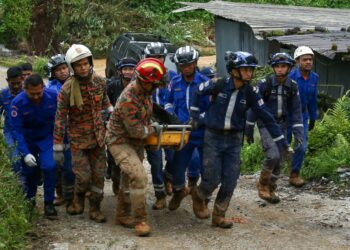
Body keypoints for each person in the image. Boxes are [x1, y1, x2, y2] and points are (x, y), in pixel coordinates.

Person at [190, 51, 292, 228]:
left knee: (231, 179)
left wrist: (282, 142)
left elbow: (267, 117)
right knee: (212, 178)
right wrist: (194, 115)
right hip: (213, 137)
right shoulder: (219, 83)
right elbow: (197, 92)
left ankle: (219, 215)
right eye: (245, 69)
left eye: (251, 70)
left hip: (234, 140)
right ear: (233, 70)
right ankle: (199, 195)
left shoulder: (251, 92)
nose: (249, 73)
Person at [106, 58, 166, 236]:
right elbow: (136, 131)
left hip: (135, 142)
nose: (156, 87)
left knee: (129, 178)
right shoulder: (129, 99)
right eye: (154, 84)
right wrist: (153, 128)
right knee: (139, 177)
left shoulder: (145, 92)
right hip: (120, 141)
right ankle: (140, 220)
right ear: (144, 81)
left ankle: (123, 215)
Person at [53, 44, 113, 223]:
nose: (83, 67)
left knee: (99, 176)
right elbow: (60, 118)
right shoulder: (67, 90)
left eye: (85, 63)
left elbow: (105, 101)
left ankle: (95, 208)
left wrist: (111, 111)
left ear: (90, 63)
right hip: (78, 140)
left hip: (98, 139)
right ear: (73, 67)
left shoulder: (99, 81)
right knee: (84, 176)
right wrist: (57, 146)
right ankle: (78, 199)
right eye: (78, 65)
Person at [245, 52, 303, 203]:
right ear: (273, 67)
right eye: (277, 66)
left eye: (283, 66)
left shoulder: (293, 87)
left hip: (282, 125)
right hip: (265, 124)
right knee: (273, 155)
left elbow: (296, 112)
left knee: (280, 158)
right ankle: (262, 184)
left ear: (289, 68)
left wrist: (299, 134)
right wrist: (249, 128)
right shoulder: (265, 84)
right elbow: (254, 106)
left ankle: (271, 188)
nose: (280, 69)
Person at [164, 45, 210, 211]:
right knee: (177, 165)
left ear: (195, 63)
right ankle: (179, 192)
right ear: (178, 66)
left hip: (202, 132)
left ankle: (202, 199)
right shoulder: (174, 82)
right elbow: (167, 101)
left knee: (204, 165)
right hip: (181, 132)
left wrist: (201, 119)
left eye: (190, 64)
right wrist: (170, 113)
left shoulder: (205, 83)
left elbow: (213, 108)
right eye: (183, 66)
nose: (187, 68)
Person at [10, 74, 58, 218]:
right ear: (25, 89)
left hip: (46, 138)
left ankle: (49, 203)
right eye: (32, 94)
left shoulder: (53, 96)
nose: (36, 97)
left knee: (50, 167)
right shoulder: (17, 103)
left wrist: (61, 142)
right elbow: (16, 130)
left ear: (43, 87)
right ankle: (30, 201)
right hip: (28, 140)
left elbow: (60, 119)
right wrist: (25, 153)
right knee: (30, 172)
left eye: (39, 93)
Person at [46, 54, 75, 208]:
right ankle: (60, 194)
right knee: (57, 167)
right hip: (56, 133)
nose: (63, 72)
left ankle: (71, 197)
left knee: (71, 167)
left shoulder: (76, 83)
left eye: (64, 68)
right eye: (58, 70)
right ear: (53, 72)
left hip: (74, 132)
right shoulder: (50, 89)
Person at [106, 57, 138, 195]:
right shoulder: (112, 86)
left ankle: (128, 187)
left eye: (131, 69)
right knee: (113, 159)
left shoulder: (139, 86)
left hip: (133, 127)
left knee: (133, 159)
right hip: (115, 128)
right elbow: (104, 103)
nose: (128, 72)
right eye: (125, 69)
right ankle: (115, 179)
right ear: (120, 71)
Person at [287, 46, 318, 187]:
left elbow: (313, 99)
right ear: (297, 61)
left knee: (301, 146)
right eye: (304, 59)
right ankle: (270, 176)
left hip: (302, 117)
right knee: (283, 145)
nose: (308, 62)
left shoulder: (314, 78)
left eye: (310, 59)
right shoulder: (290, 77)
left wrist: (313, 117)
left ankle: (294, 174)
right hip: (287, 116)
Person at [0, 67, 24, 175]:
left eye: (18, 83)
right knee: (15, 159)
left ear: (22, 79)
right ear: (7, 80)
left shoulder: (29, 93)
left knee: (27, 159)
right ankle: (19, 186)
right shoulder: (3, 95)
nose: (16, 86)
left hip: (26, 132)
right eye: (12, 83)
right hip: (9, 133)